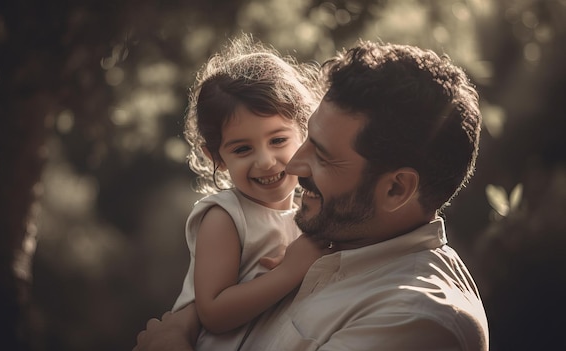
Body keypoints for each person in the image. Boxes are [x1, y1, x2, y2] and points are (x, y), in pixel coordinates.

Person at [134, 39, 489, 351]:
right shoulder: (333, 233)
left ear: (396, 189)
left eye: (321, 155)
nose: (293, 166)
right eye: (306, 139)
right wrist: (187, 319)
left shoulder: (416, 322)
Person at [167, 35, 326, 350]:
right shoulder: (224, 217)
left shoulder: (309, 212)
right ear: (217, 157)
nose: (265, 161)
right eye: (242, 148)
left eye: (278, 140)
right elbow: (213, 312)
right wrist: (293, 268)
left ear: (304, 133)